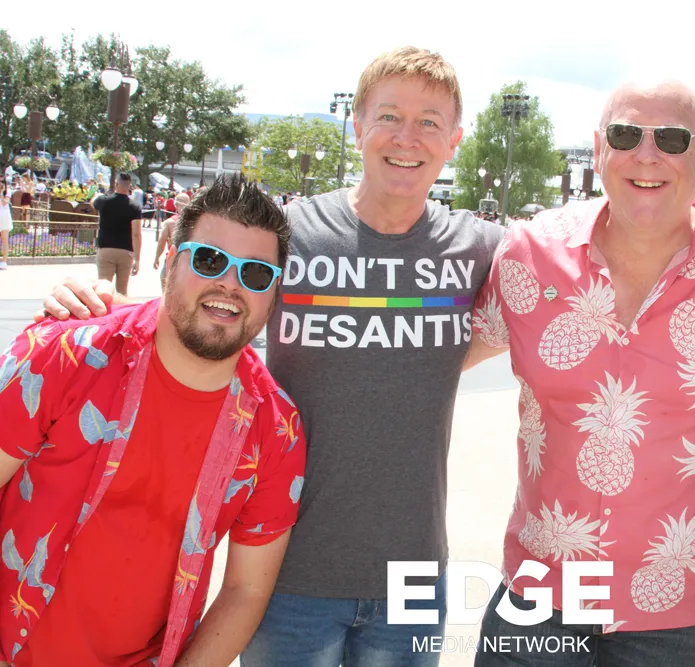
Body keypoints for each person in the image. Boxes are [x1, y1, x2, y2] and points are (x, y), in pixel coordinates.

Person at [39, 46, 505, 667]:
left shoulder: (480, 248)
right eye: (389, 116)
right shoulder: (292, 234)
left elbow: (570, 275)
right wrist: (95, 304)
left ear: (455, 141)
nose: (407, 137)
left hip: (414, 573)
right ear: (358, 126)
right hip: (284, 571)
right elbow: (199, 312)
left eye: (429, 122)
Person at [463, 80, 695, 666]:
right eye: (627, 135)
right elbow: (436, 358)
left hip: (676, 612)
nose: (647, 154)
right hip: (540, 588)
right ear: (600, 147)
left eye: (671, 139)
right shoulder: (528, 253)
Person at [0, 174, 306, 666]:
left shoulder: (276, 430)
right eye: (209, 260)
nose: (230, 284)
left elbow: (246, 590)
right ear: (170, 261)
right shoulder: (64, 355)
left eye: (255, 273)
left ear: (273, 292)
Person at [92, 173, 143, 296]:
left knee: (103, 289)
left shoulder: (104, 201)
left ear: (116, 184)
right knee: (122, 291)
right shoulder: (134, 207)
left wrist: (96, 195)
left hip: (106, 249)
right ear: (129, 186)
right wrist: (137, 258)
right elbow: (136, 234)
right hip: (126, 252)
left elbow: (92, 203)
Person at [154, 191, 191, 287]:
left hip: (172, 259)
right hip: (189, 261)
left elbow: (161, 242)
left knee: (166, 285)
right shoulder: (194, 223)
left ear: (176, 205)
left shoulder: (170, 223)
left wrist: (157, 257)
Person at [0, 182, 12, 269]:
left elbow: (5, 203)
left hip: (4, 217)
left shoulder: (7, 192)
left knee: (4, 240)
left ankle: (4, 261)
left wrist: (1, 193)